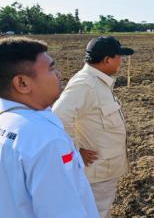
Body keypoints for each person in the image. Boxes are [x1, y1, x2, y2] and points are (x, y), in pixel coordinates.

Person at [0, 37, 99, 217]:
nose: (59, 74)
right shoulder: (46, 139)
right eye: (51, 68)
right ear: (22, 83)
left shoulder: (8, 123)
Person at [53, 36, 134, 218]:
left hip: (104, 167)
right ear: (107, 60)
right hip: (96, 170)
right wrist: (75, 150)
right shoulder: (85, 84)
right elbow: (59, 116)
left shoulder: (97, 81)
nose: (121, 61)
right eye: (119, 56)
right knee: (95, 212)